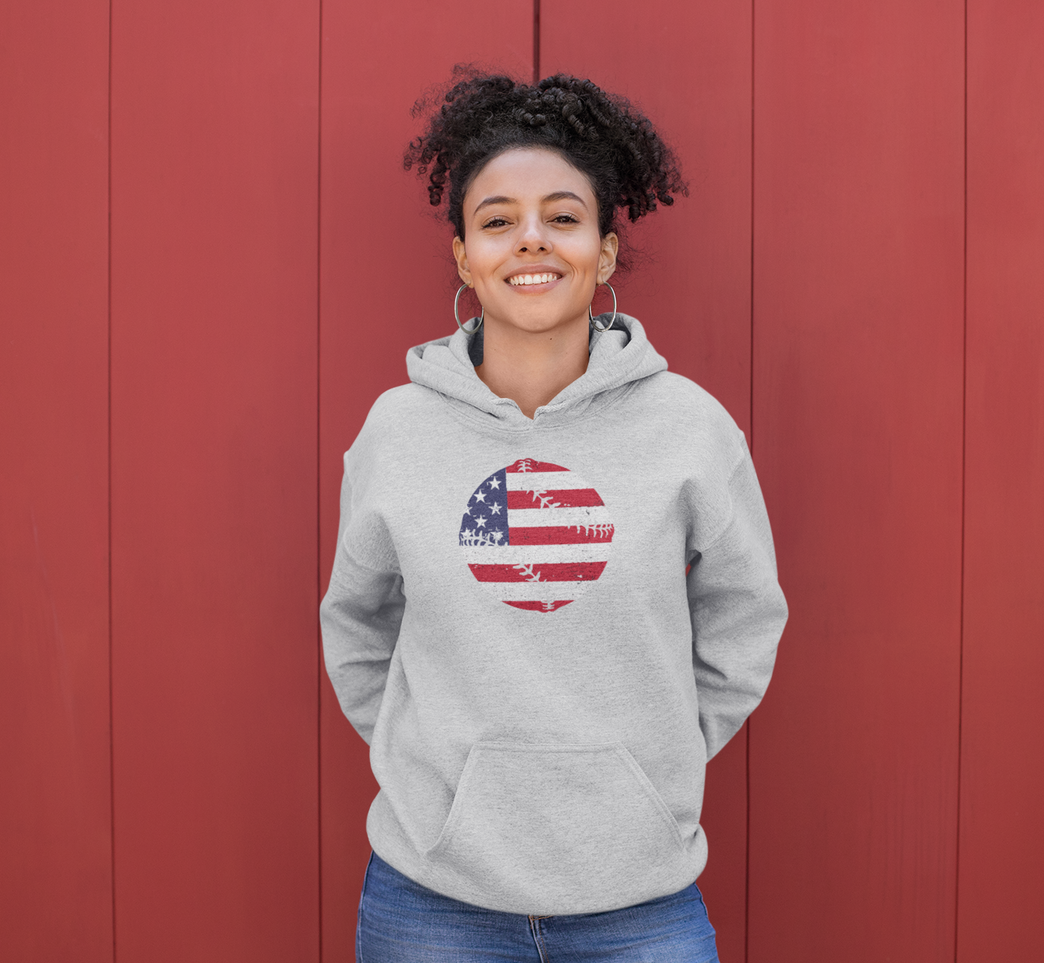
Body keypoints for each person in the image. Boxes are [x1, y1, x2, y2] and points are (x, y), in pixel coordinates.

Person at [320, 70, 787, 963]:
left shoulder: (688, 427)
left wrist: (649, 764)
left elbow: (745, 614)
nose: (530, 239)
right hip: (432, 902)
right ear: (463, 255)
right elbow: (357, 620)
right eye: (496, 219)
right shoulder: (398, 429)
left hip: (639, 902)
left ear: (605, 250)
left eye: (563, 217)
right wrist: (439, 775)